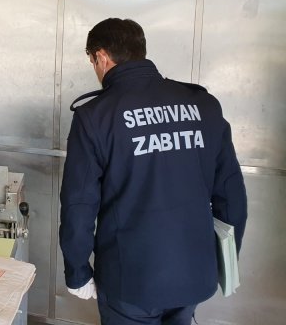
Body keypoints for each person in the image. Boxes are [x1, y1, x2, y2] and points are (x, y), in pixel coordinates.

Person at [59, 18, 247, 325]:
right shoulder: (204, 105)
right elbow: (231, 194)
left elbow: (79, 204)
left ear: (101, 57)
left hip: (130, 281)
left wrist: (77, 271)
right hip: (194, 272)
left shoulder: (95, 116)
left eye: (92, 60)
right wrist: (222, 258)